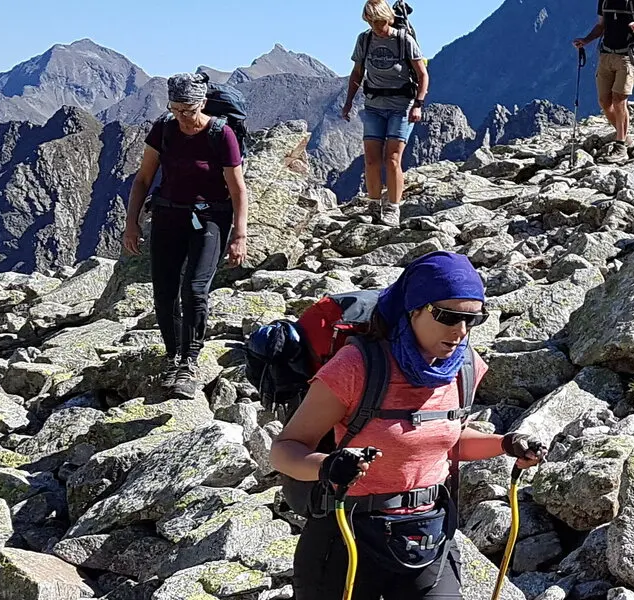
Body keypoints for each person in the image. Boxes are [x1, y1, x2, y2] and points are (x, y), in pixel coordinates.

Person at [273, 251, 543, 599]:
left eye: (472, 320)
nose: (460, 331)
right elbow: (285, 450)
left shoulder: (465, 368)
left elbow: (446, 441)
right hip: (346, 533)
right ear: (413, 308)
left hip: (428, 532)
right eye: (448, 316)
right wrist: (328, 466)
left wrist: (506, 445)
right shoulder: (356, 366)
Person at [122, 73, 250, 398]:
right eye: (175, 109)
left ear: (202, 103)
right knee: (164, 295)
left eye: (188, 110)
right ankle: (171, 357)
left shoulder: (222, 135)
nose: (182, 117)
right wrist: (131, 222)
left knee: (193, 290)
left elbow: (237, 189)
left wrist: (239, 234)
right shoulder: (164, 128)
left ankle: (189, 362)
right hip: (167, 215)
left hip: (210, 218)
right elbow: (142, 179)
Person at [343, 0, 429, 227]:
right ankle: (373, 206)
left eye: (379, 21)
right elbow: (357, 73)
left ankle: (393, 208)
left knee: (392, 159)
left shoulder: (403, 41)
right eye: (371, 22)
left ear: (388, 18)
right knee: (371, 160)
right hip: (373, 107)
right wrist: (348, 102)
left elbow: (423, 75)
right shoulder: (365, 40)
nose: (376, 26)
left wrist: (418, 104)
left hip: (401, 108)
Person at [574, 0, 634, 162]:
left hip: (627, 56)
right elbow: (601, 26)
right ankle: (626, 138)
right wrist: (586, 40)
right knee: (604, 102)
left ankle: (620, 146)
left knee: (619, 100)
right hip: (606, 54)